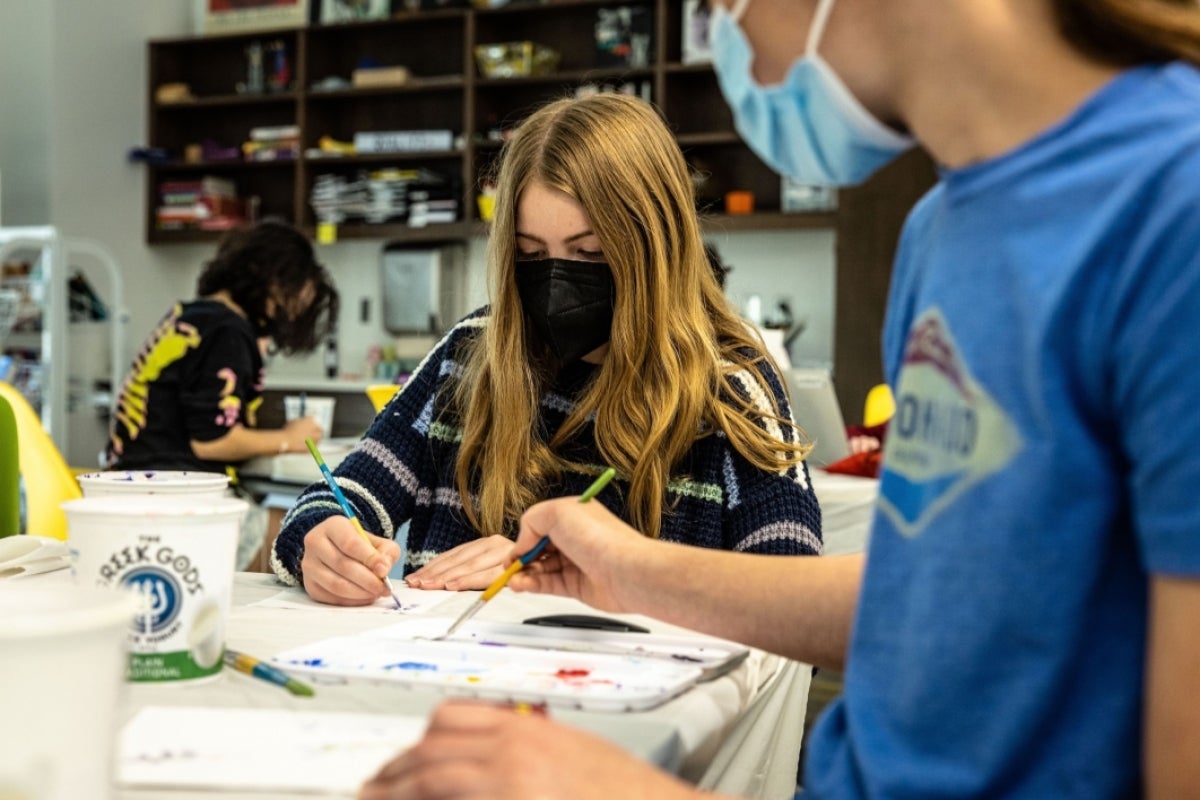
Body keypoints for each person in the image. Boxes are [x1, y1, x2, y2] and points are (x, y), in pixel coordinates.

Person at [359, 0, 1200, 798]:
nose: (728, 46)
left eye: (722, 8)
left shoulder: (1172, 209)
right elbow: (951, 601)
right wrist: (625, 569)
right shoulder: (943, 225)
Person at [270, 92, 823, 604]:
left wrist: (568, 576)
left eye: (589, 253)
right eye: (531, 256)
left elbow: (792, 607)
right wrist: (321, 540)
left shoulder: (730, 389)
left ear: (655, 248)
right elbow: (341, 497)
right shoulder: (470, 356)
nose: (557, 284)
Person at [106, 220, 338, 565]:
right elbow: (211, 440)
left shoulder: (194, 316)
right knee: (300, 533)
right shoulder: (228, 330)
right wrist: (290, 437)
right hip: (168, 494)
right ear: (274, 283)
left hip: (133, 484)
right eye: (292, 301)